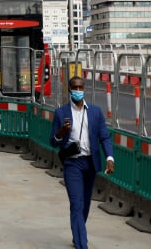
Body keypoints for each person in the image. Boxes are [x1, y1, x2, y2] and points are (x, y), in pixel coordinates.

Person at [50, 75, 115, 249]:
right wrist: (62, 131)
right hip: (72, 164)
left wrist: (109, 157)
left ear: (84, 89)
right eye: (75, 88)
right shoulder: (61, 112)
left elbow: (104, 137)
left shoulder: (95, 112)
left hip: (90, 163)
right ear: (69, 90)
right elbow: (53, 141)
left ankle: (77, 233)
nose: (78, 91)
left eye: (81, 87)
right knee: (76, 204)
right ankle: (82, 244)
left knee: (85, 204)